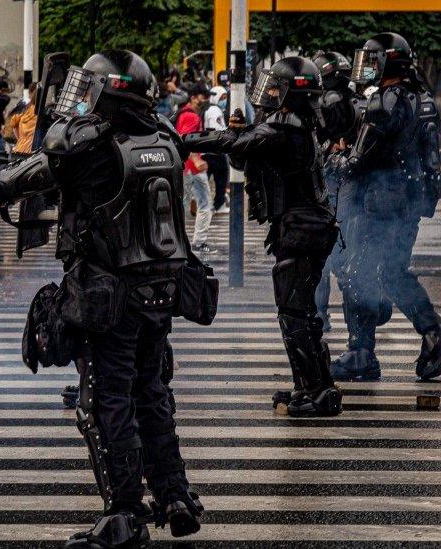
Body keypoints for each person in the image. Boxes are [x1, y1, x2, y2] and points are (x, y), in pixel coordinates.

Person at [0, 50, 206, 548]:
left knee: (103, 401)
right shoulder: (164, 138)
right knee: (151, 395)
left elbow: (22, 179)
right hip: (158, 293)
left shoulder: (89, 145)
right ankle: (175, 497)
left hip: (108, 295)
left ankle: (125, 514)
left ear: (108, 91)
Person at [185, 56, 342, 417]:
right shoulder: (293, 126)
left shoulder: (287, 129)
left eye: (275, 88)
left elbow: (234, 143)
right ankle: (312, 386)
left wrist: (187, 140)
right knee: (300, 311)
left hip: (303, 230)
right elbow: (247, 154)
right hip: (305, 227)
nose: (268, 94)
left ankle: (319, 392)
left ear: (291, 92)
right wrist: (242, 133)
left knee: (295, 313)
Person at [330, 32, 441, 381]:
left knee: (356, 274)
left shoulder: (384, 103)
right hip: (406, 204)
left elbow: (356, 162)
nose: (368, 68)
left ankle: (361, 353)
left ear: (387, 63)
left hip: (378, 205)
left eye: (373, 61)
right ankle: (431, 334)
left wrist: (335, 157)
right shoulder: (422, 100)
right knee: (392, 271)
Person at [310, 50, 367, 333]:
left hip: (337, 187)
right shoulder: (363, 102)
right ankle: (355, 330)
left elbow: (320, 148)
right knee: (343, 262)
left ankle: (324, 318)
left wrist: (328, 149)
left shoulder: (331, 104)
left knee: (328, 259)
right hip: (356, 192)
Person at [176, 84, 215, 253]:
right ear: (193, 98)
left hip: (184, 167)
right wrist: (196, 160)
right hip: (192, 168)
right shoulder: (191, 117)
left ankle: (179, 241)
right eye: (203, 96)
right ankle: (198, 242)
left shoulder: (182, 113)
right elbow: (186, 140)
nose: (206, 100)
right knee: (205, 203)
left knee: (183, 205)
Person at [204, 85, 230, 213]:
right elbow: (216, 130)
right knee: (221, 178)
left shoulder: (209, 109)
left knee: (207, 178)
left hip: (207, 150)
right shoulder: (216, 111)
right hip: (216, 151)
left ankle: (201, 202)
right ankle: (218, 205)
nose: (224, 100)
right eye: (222, 97)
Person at [7, 82, 38, 155]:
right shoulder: (39, 112)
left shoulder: (25, 109)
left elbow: (13, 121)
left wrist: (20, 139)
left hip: (20, 147)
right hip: (31, 150)